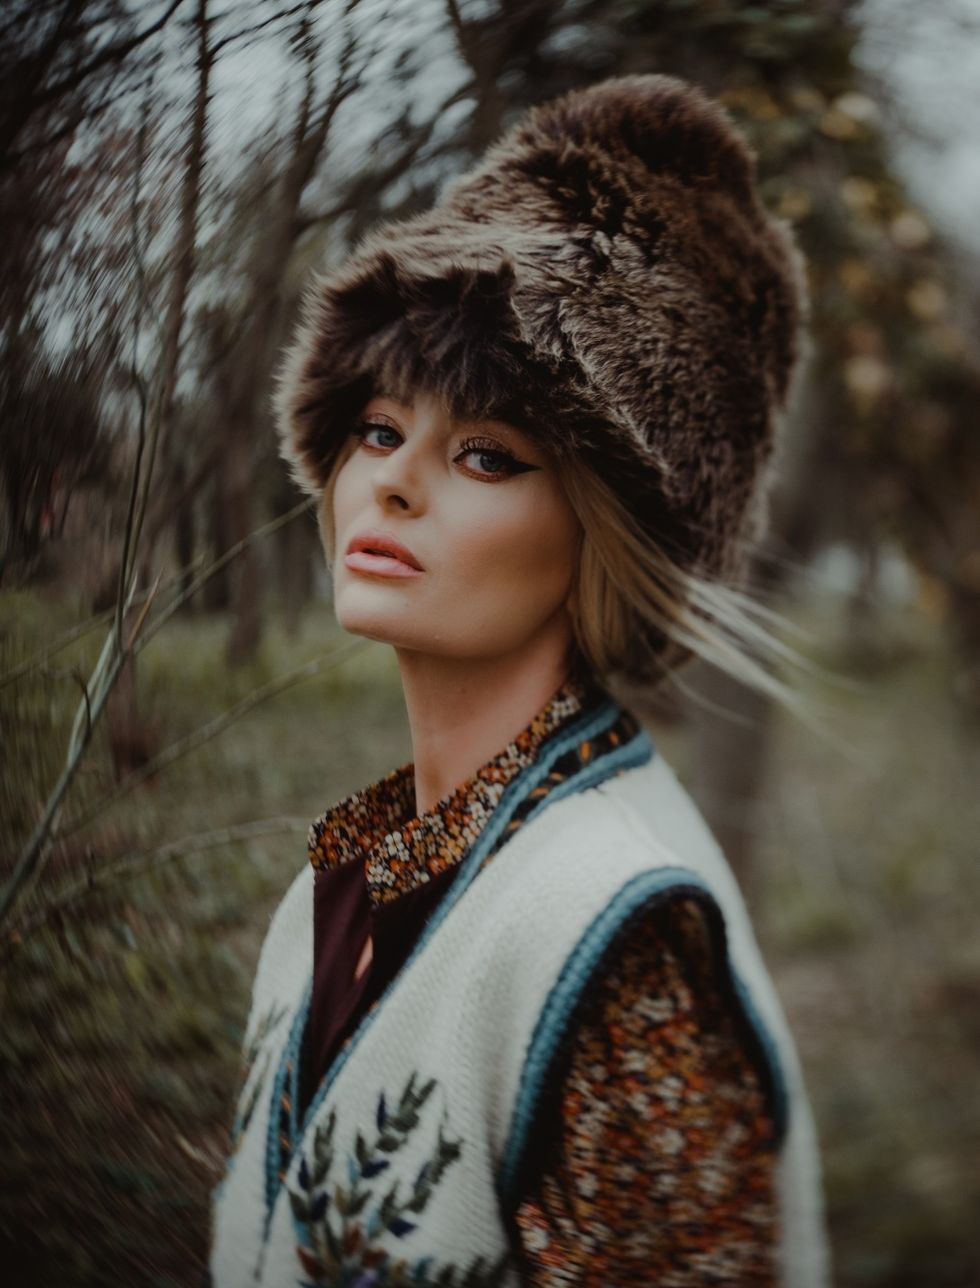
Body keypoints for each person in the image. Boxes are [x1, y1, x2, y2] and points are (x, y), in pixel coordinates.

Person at [208, 73, 830, 1286]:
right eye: (379, 429)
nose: (394, 481)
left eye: (486, 453)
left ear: (606, 529)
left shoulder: (619, 944)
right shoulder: (346, 878)